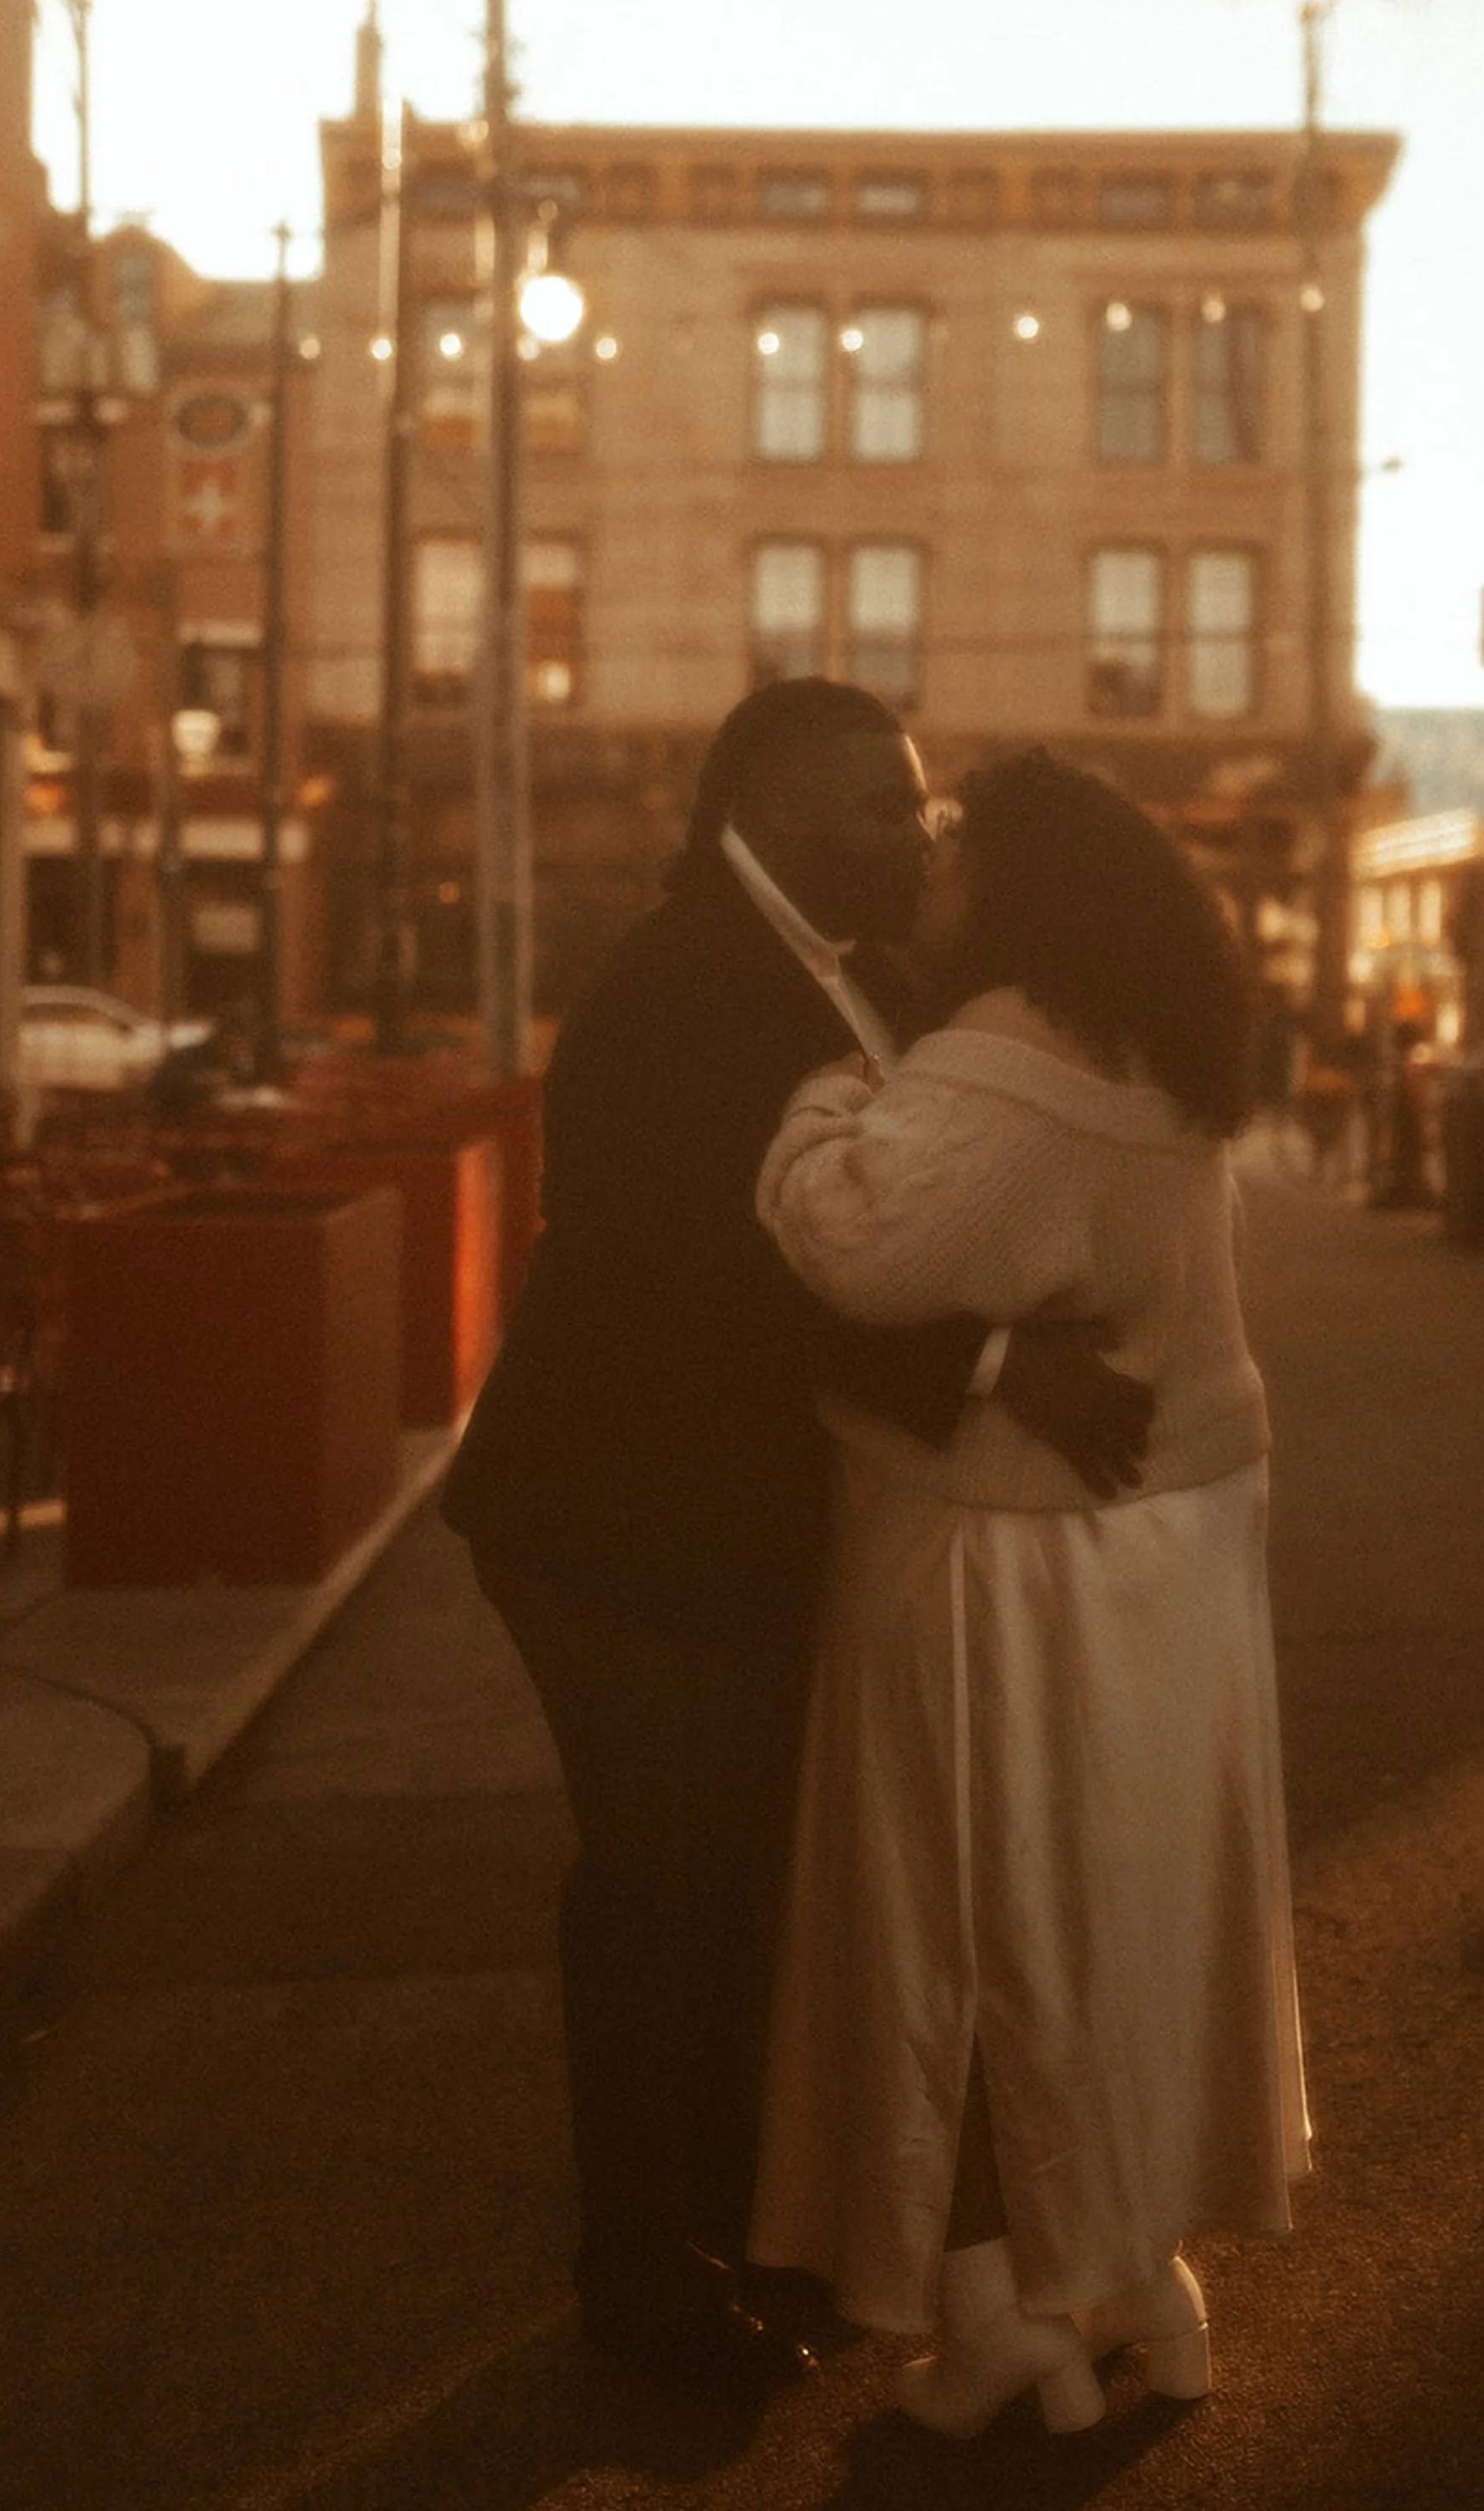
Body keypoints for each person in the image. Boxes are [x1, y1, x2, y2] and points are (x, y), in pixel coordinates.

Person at [439, 684, 1153, 2404]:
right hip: (617, 1516)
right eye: (882, 806)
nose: (919, 831)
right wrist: (999, 1363)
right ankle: (641, 2274)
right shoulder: (686, 985)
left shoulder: (858, 971)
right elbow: (727, 1274)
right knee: (660, 1887)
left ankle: (744, 2228)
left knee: (740, 1880)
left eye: (921, 804)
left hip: (735, 1515)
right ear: (768, 813)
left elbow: (914, 1189)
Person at [750, 749, 1308, 2437]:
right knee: (1133, 1913)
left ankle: (1007, 2314)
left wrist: (822, 1104)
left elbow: (865, 1243)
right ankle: (1140, 2270)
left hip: (1009, 1542)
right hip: (1177, 1530)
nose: (927, 860)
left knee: (978, 1927)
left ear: (1015, 880)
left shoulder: (1008, 1042)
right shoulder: (1153, 1037)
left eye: (951, 840)